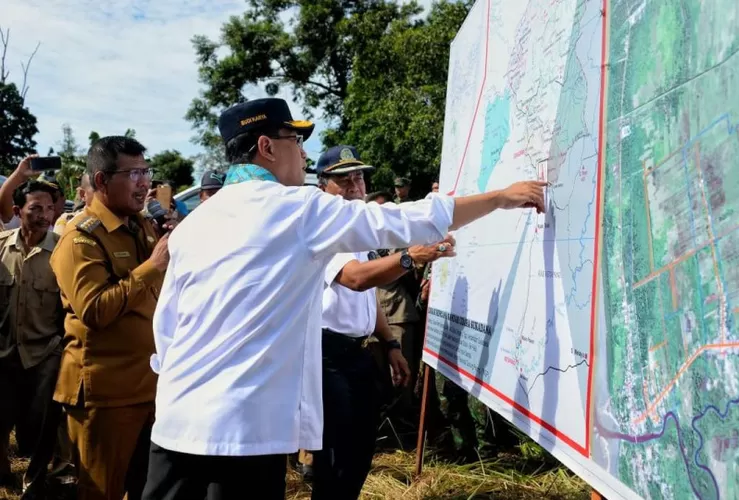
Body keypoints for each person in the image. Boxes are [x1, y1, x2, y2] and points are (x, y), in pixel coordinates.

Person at [143, 97, 546, 499]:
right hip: (244, 428)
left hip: (177, 419)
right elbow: (403, 220)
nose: (303, 154)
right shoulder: (296, 207)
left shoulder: (194, 224)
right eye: (295, 141)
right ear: (266, 147)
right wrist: (499, 198)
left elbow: (167, 326)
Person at [312, 145, 456, 499]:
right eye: (342, 180)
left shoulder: (357, 229)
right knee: (336, 454)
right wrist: (411, 257)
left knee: (360, 450)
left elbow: (366, 298)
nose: (354, 185)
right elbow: (357, 279)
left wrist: (391, 344)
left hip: (356, 353)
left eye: (358, 176)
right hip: (327, 353)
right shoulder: (324, 226)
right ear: (323, 187)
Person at [50, 136, 170, 500]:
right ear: (101, 181)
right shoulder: (80, 239)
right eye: (133, 173)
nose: (144, 183)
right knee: (101, 492)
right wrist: (152, 267)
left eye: (146, 172)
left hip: (149, 387)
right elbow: (95, 310)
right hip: (105, 395)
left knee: (148, 488)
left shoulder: (140, 227)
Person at [0, 181, 63, 499]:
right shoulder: (1, 246)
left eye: (49, 208)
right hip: (5, 352)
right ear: (17, 211)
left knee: (42, 427)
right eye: (35, 208)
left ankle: (36, 482)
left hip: (44, 354)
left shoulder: (64, 250)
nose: (44, 215)